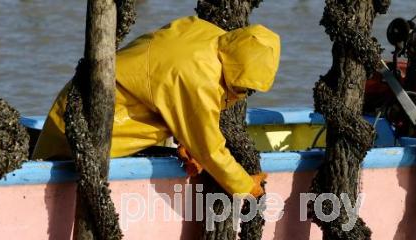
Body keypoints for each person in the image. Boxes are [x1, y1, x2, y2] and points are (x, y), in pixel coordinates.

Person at [32, 16, 281, 198]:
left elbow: (158, 85)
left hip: (75, 103)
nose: (242, 95)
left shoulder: (204, 32)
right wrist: (245, 187)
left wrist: (185, 139)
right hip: (88, 129)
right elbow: (210, 148)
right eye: (242, 88)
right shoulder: (198, 77)